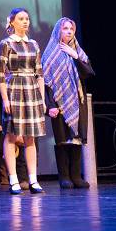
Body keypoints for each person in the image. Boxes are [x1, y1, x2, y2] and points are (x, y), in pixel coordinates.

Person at [0, 8, 47, 194]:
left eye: (27, 18)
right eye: (21, 18)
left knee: (30, 137)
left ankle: (33, 179)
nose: (25, 21)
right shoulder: (6, 44)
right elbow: (0, 75)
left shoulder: (34, 44)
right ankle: (13, 179)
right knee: (11, 135)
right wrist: (5, 99)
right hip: (14, 89)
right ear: (12, 22)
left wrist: (42, 98)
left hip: (32, 90)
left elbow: (39, 73)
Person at [41, 17, 93, 189]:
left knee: (76, 138)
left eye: (71, 29)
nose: (69, 32)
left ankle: (76, 176)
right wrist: (50, 105)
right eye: (65, 28)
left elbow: (88, 73)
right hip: (59, 102)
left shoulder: (77, 51)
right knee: (62, 139)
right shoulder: (50, 53)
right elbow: (45, 83)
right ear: (58, 31)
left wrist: (75, 56)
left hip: (77, 101)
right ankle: (64, 176)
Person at [0, 78, 29, 188]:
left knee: (20, 149)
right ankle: (5, 178)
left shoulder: (20, 81)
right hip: (4, 120)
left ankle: (22, 178)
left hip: (18, 120)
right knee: (3, 149)